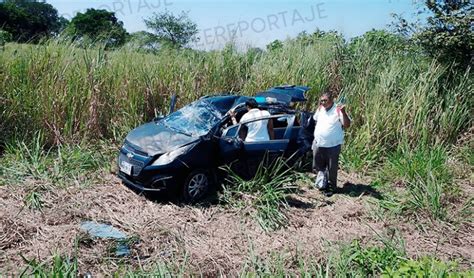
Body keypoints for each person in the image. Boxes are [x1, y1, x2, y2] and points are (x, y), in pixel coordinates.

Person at [312, 91, 351, 197]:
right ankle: (322, 183)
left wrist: (343, 112)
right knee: (318, 165)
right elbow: (316, 120)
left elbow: (347, 125)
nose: (323, 102)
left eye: (325, 100)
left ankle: (332, 187)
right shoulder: (320, 109)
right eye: (321, 100)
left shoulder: (338, 110)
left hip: (333, 145)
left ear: (331, 100)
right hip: (319, 143)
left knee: (331, 167)